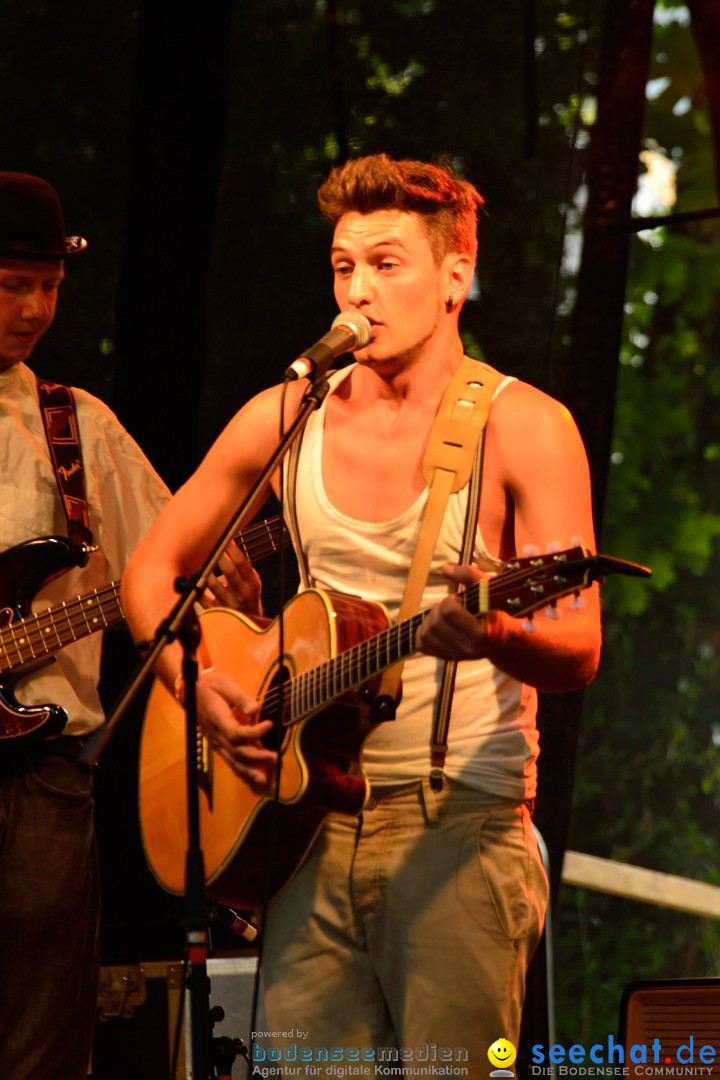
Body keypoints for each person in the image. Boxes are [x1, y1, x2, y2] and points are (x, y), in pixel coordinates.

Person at [121, 153, 601, 1075]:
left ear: (457, 274)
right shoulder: (289, 412)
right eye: (345, 267)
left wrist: (498, 632)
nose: (359, 291)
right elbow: (153, 572)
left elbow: (577, 645)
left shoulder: (524, 424)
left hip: (459, 826)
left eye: (388, 264)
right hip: (303, 829)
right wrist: (200, 690)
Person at [0, 172, 173, 1080]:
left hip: (42, 781)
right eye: (9, 284)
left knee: (41, 1050)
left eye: (49, 287)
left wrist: (218, 571)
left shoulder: (76, 425)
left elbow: (173, 565)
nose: (34, 308)